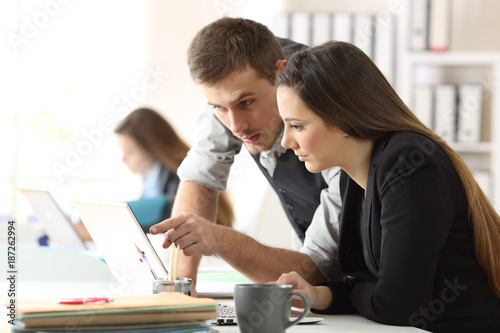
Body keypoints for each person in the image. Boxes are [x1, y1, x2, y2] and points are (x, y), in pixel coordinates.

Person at [275, 41, 500, 332]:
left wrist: (358, 290)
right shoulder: (352, 176)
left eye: (297, 126)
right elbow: (374, 286)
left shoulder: (409, 163)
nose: (286, 142)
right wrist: (318, 294)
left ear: (341, 116)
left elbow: (397, 305)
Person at [150, 17, 345, 291]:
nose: (235, 126)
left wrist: (221, 239)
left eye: (246, 102)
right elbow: (200, 177)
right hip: (310, 280)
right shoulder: (230, 90)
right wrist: (183, 289)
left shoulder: (335, 115)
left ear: (282, 74)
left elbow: (314, 268)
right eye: (218, 107)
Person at [114, 108, 233, 232]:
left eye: (129, 151)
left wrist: (122, 229)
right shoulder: (150, 173)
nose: (123, 159)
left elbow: (171, 223)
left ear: (152, 147)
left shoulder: (181, 173)